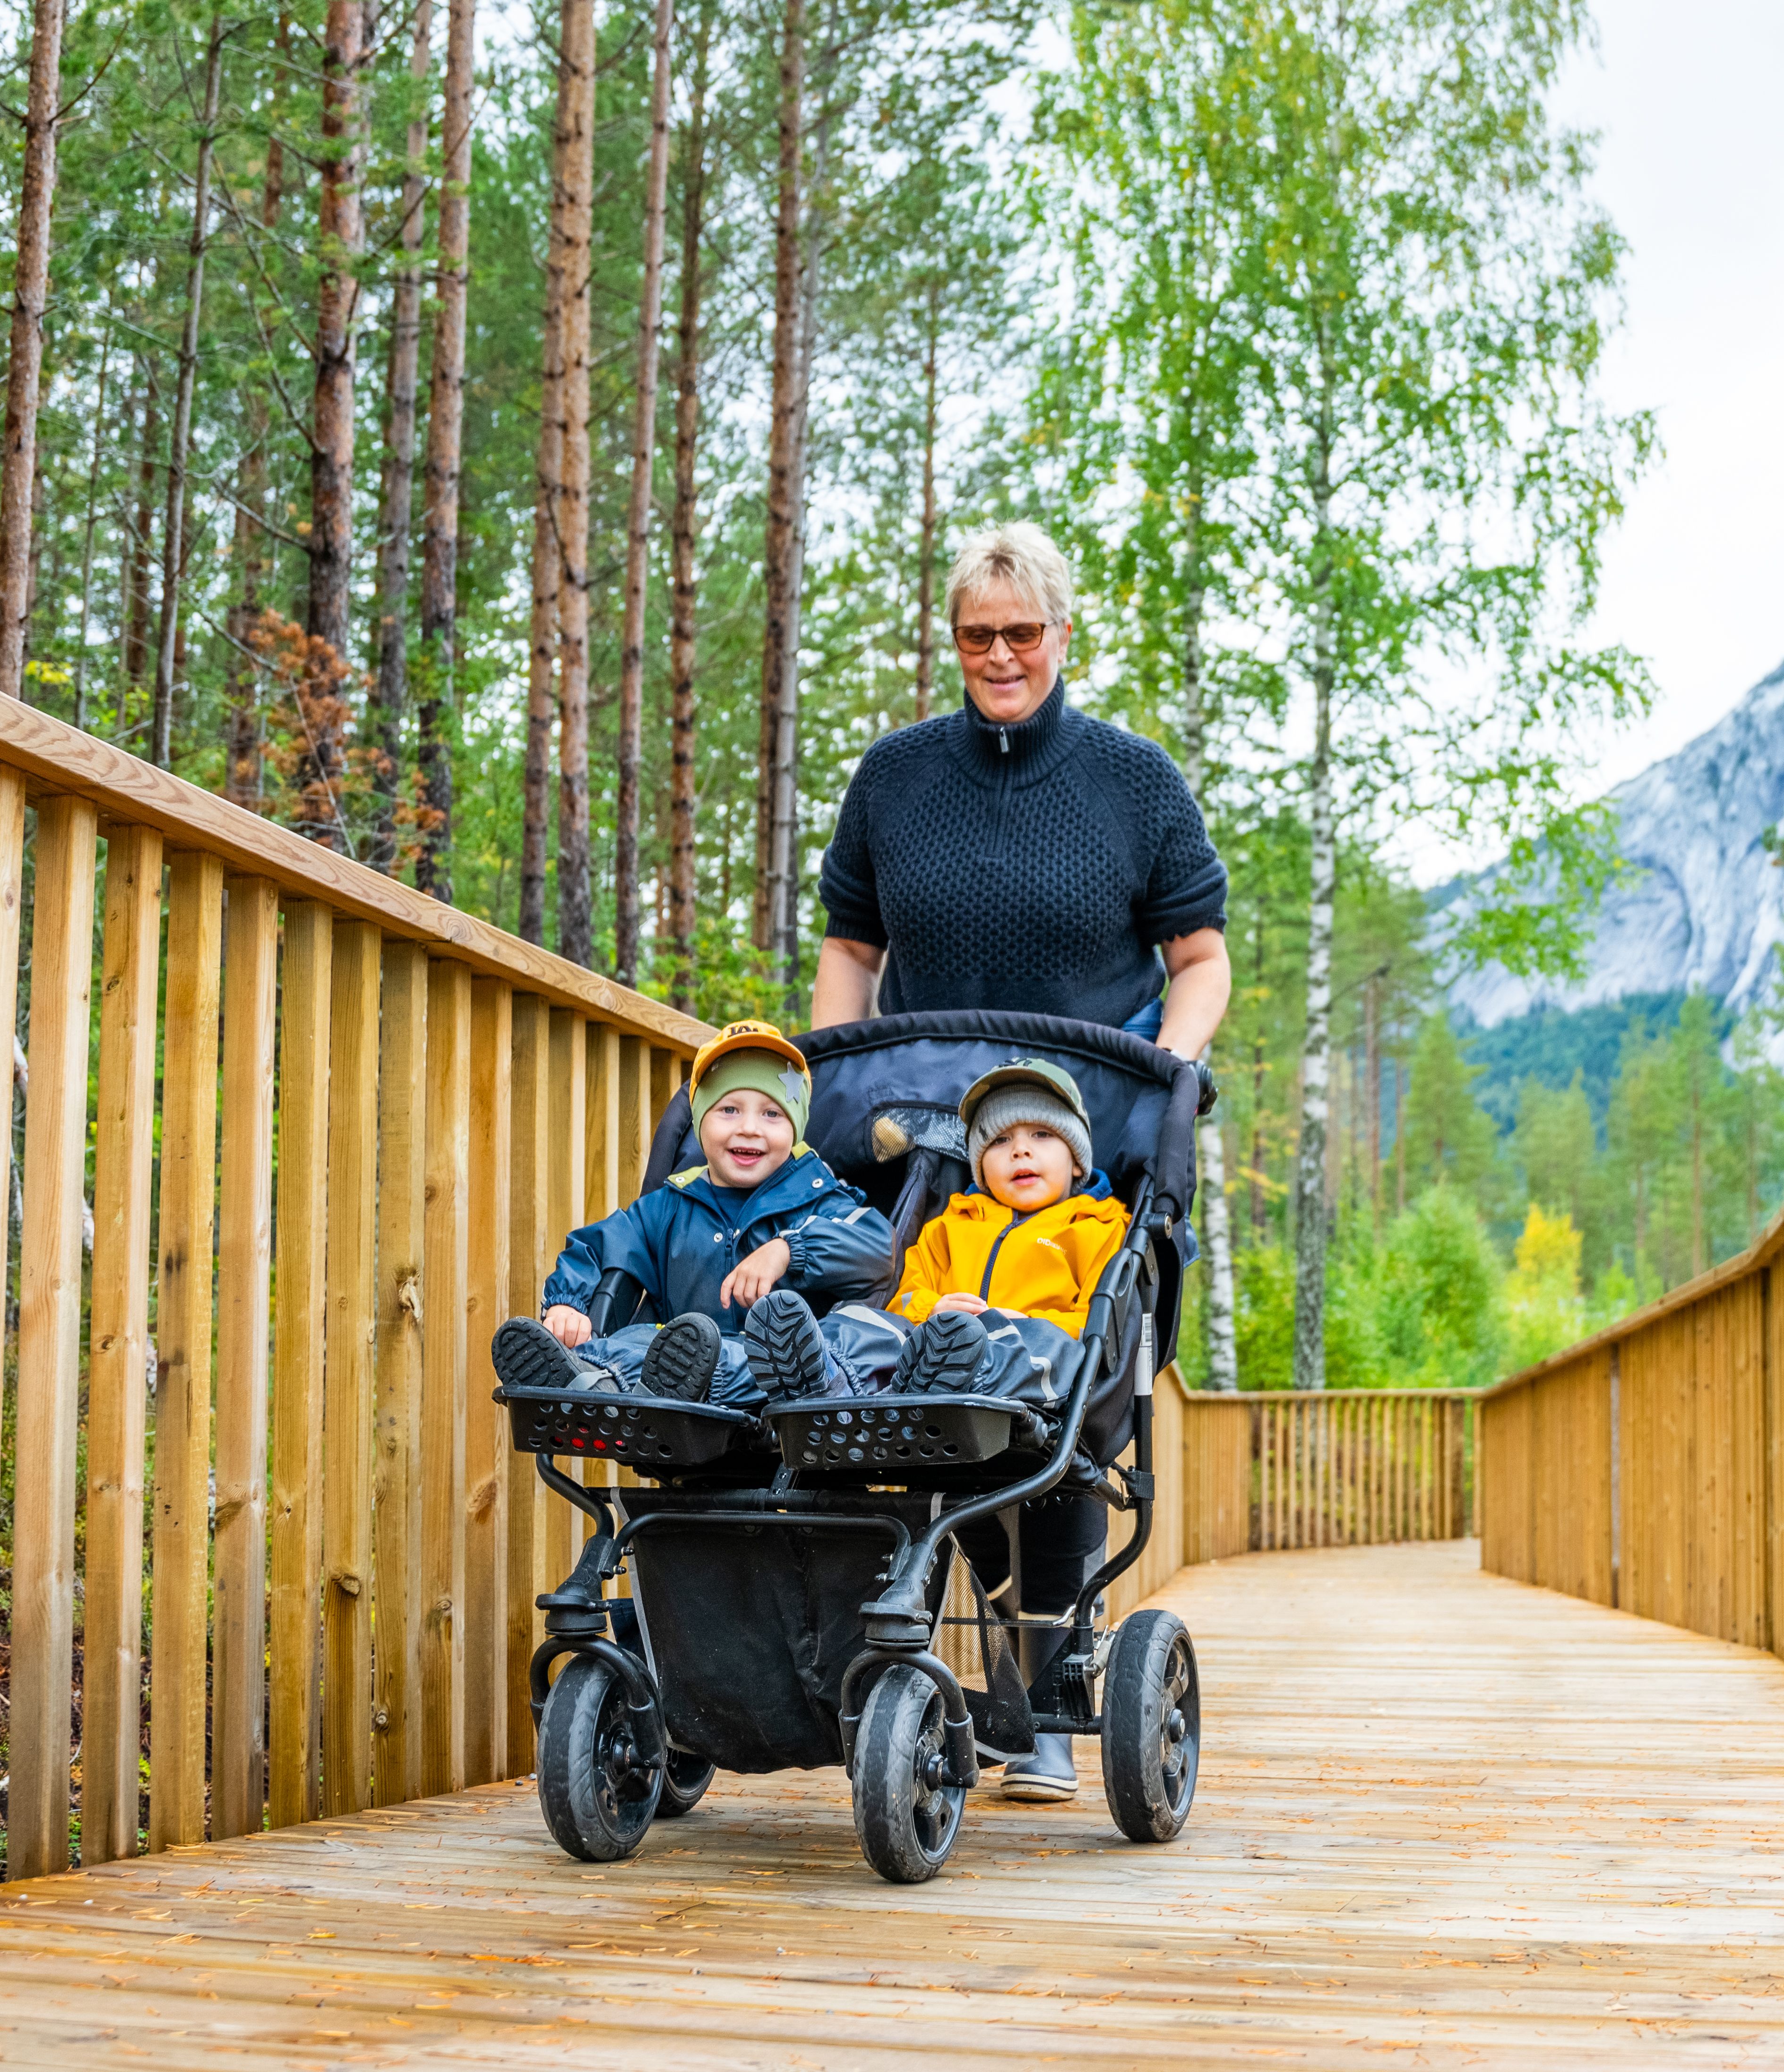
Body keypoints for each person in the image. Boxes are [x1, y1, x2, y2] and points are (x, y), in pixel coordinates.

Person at [744, 1059, 1129, 1804]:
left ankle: (1046, 1739)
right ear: (978, 1163)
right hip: (936, 1384)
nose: (1020, 1151)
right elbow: (908, 1293)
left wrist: (1003, 1323)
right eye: (1000, 1142)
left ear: (1078, 1159)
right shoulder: (952, 1225)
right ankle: (822, 1377)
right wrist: (933, 1311)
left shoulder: (1098, 1227)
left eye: (1041, 1137)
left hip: (1036, 1372)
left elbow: (1098, 1324)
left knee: (1015, 1346)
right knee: (867, 1325)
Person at [807, 522, 1232, 1058]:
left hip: (1098, 1095)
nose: (1000, 655)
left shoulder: (1139, 778)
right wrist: (829, 1075)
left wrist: (1164, 1072)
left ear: (1063, 636)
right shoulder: (891, 773)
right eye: (977, 636)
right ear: (957, 641)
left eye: (1023, 634)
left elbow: (1199, 961)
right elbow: (849, 949)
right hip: (919, 1095)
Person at [485, 1022, 899, 1411]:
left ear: (796, 1129)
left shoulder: (819, 1197)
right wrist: (568, 1304)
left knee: (866, 1331)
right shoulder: (667, 1207)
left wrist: (789, 1250)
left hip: (788, 1383)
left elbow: (879, 1247)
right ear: (701, 1122)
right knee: (638, 1341)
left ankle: (607, 1375)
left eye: (772, 1114)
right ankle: (582, 1373)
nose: (750, 1128)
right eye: (729, 1110)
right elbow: (597, 1247)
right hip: (682, 1376)